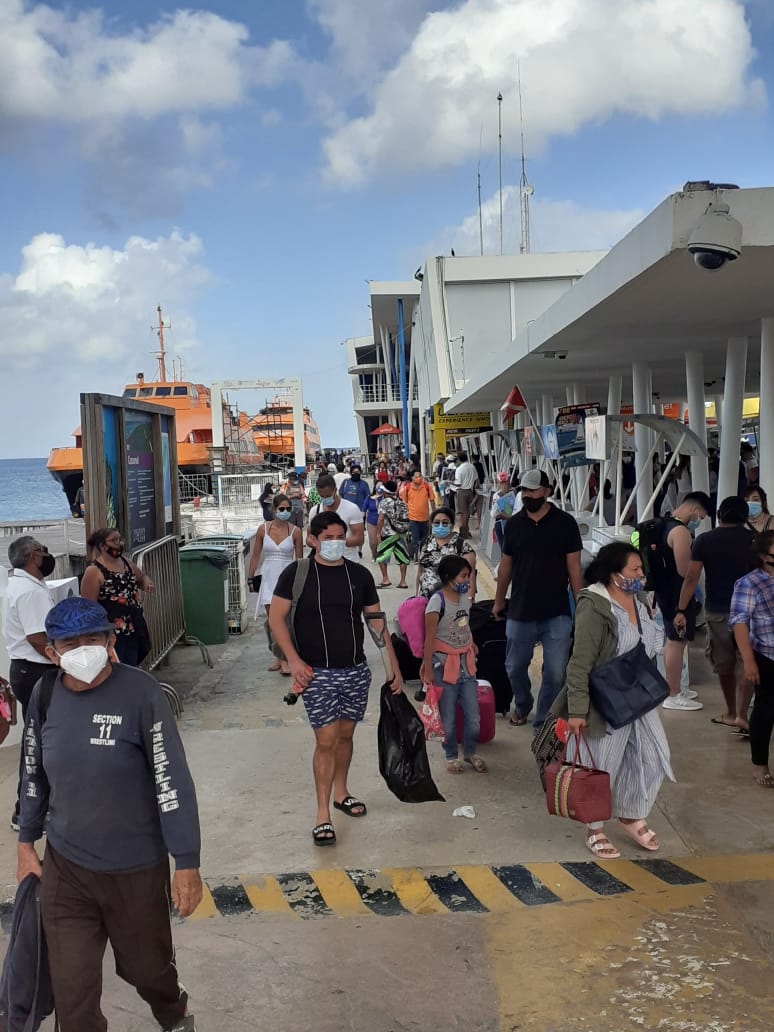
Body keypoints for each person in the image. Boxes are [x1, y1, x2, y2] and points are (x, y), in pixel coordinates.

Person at [17, 596, 202, 1032]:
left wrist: (187, 863)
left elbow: (170, 778)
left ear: (110, 639)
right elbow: (32, 775)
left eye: (93, 638)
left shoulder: (141, 692)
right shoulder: (44, 697)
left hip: (135, 868)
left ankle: (172, 1012)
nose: (83, 648)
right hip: (67, 870)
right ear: (51, 652)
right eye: (70, 642)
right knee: (73, 997)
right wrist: (26, 843)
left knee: (146, 970)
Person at [269, 511, 403, 845]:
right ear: (312, 539)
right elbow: (276, 619)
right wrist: (295, 662)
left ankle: (341, 794)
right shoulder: (296, 574)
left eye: (340, 538)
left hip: (355, 670)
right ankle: (321, 814)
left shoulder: (359, 575)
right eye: (327, 538)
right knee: (325, 741)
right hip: (316, 673)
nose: (335, 544)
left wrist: (394, 668)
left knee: (345, 736)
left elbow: (376, 623)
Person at [551, 542, 673, 858]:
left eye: (641, 569)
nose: (640, 575)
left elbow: (652, 642)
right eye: (634, 569)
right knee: (601, 764)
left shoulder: (642, 599)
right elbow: (579, 663)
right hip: (604, 698)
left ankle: (630, 813)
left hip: (637, 694)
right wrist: (577, 711)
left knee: (653, 756)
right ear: (614, 574)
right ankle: (595, 828)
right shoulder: (595, 605)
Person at [493, 469, 583, 729]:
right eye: (524, 490)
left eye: (533, 490)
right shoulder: (514, 524)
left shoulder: (565, 523)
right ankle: (522, 704)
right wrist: (499, 601)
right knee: (514, 667)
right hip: (520, 610)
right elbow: (505, 566)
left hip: (556, 612)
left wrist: (581, 607)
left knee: (555, 673)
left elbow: (574, 568)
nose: (528, 495)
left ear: (547, 491)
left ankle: (543, 720)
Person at [674, 496, 755, 731]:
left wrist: (681, 608)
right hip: (749, 611)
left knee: (724, 663)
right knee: (746, 662)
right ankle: (742, 714)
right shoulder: (753, 540)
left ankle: (730, 711)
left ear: (719, 515)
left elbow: (691, 578)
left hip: (717, 610)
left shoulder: (704, 540)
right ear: (745, 516)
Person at [4, 535, 57, 831]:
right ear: (31, 557)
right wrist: (65, 662)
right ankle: (26, 810)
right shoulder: (29, 592)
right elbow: (38, 638)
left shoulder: (23, 584)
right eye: (42, 549)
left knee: (37, 739)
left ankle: (30, 808)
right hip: (36, 670)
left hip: (26, 670)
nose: (46, 554)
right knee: (38, 741)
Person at [421, 555, 487, 774]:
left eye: (469, 576)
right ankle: (451, 756)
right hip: (443, 665)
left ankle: (470, 752)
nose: (468, 580)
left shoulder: (464, 598)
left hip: (466, 664)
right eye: (464, 576)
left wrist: (472, 644)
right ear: (449, 577)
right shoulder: (436, 602)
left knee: (474, 718)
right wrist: (428, 669)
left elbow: (464, 626)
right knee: (448, 720)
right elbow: (429, 638)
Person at [650, 491, 711, 711]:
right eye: (701, 516)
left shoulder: (663, 522)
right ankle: (673, 693)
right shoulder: (681, 531)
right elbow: (685, 570)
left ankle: (673, 687)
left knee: (671, 641)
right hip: (677, 595)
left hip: (663, 592)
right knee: (676, 642)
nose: (700, 521)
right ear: (695, 509)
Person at [730, 530, 774, 787]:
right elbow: (740, 622)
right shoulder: (749, 583)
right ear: (762, 557)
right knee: (766, 710)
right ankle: (760, 763)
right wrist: (748, 661)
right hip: (767, 655)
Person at [80, 528, 155, 667]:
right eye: (114, 540)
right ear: (103, 546)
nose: (119, 543)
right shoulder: (94, 571)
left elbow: (141, 576)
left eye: (119, 539)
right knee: (118, 668)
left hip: (134, 626)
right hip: (113, 633)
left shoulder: (125, 562)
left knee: (132, 665)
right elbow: (88, 606)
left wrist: (146, 583)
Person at [248, 493, 303, 674]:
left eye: (288, 509)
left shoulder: (295, 531)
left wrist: (300, 581)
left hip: (287, 576)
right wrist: (251, 577)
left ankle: (286, 658)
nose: (285, 512)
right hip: (269, 576)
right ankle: (279, 658)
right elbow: (256, 554)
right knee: (273, 620)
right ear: (273, 510)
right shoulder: (263, 530)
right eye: (282, 509)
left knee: (286, 620)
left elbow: (300, 559)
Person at [416, 507, 477, 600]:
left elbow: (471, 576)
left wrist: (469, 600)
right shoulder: (425, 543)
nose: (440, 525)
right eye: (436, 522)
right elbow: (420, 572)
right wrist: (417, 597)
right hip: (425, 601)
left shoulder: (462, 546)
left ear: (452, 525)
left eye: (445, 523)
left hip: (451, 603)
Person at [307, 474, 365, 561]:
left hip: (348, 560)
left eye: (328, 496)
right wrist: (318, 544)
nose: (325, 498)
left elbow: (359, 539)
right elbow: (309, 538)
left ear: (335, 490)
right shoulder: (315, 511)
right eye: (322, 496)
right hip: (322, 562)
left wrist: (336, 543)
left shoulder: (351, 509)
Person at [376, 481, 411, 589]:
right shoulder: (401, 502)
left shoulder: (384, 502)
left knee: (381, 555)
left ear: (385, 491)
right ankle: (403, 581)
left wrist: (378, 533)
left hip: (388, 533)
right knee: (402, 557)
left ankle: (385, 579)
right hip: (401, 533)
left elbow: (381, 519)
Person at [404, 469, 434, 560]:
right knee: (415, 539)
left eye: (420, 476)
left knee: (424, 539)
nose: (418, 478)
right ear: (412, 477)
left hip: (425, 518)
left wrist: (434, 514)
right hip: (413, 518)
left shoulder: (427, 487)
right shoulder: (407, 488)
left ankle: (422, 553)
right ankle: (416, 556)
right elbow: (404, 503)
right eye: (416, 476)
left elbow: (432, 500)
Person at [453, 452, 480, 539]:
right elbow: (476, 480)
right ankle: (466, 530)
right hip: (470, 492)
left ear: (459, 459)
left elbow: (458, 484)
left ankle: (464, 532)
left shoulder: (459, 469)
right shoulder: (472, 467)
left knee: (463, 513)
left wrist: (450, 482)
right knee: (467, 513)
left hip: (461, 492)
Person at [491, 473, 517, 550]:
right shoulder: (515, 492)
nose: (504, 485)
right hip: (508, 524)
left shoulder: (497, 495)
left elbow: (493, 514)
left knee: (505, 550)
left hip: (505, 524)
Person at [363, 483, 383, 562]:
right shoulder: (369, 498)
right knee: (373, 541)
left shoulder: (385, 498)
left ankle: (381, 555)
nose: (379, 487)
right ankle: (373, 555)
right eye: (378, 485)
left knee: (381, 540)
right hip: (371, 521)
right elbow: (363, 510)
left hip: (383, 522)